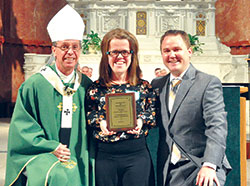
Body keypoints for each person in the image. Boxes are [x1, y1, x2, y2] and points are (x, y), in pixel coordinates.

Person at [5, 5, 95, 186]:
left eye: (75, 47)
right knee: (59, 176)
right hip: (43, 153)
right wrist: (52, 147)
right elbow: (23, 128)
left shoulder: (86, 85)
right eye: (64, 47)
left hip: (80, 152)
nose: (70, 52)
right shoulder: (35, 85)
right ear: (54, 50)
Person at [151, 30, 231, 186]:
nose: (171, 55)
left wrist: (209, 164)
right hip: (170, 169)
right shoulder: (157, 85)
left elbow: (217, 126)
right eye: (166, 51)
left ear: (189, 51)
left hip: (200, 164)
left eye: (176, 49)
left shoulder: (207, 83)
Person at [86, 28, 157, 186]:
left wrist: (140, 122)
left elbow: (152, 115)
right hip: (105, 157)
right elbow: (89, 116)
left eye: (125, 52)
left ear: (132, 55)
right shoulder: (95, 89)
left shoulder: (144, 87)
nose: (120, 57)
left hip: (136, 156)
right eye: (114, 52)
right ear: (107, 55)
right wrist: (101, 123)